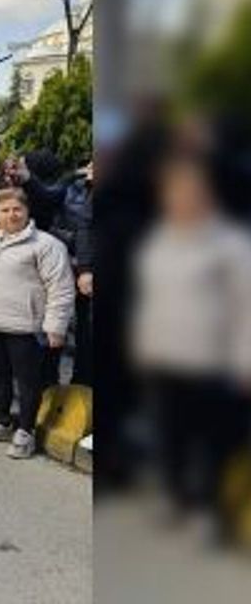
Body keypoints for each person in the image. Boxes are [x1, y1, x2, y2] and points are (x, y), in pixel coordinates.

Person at [129, 155, 251, 538]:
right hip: (163, 356)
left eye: (191, 193)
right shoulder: (160, 239)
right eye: (175, 193)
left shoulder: (230, 243)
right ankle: (176, 497)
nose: (183, 200)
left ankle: (208, 509)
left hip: (210, 360)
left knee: (210, 440)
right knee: (170, 434)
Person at [0, 187, 75, 459]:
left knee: (28, 382)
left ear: (27, 211)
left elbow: (61, 288)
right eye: (4, 210)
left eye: (17, 209)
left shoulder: (46, 245)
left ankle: (26, 432)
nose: (11, 215)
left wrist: (55, 326)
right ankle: (3, 421)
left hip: (27, 328)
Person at [54, 161, 93, 386]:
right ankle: (82, 386)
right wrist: (85, 268)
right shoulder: (77, 188)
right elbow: (85, 229)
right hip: (91, 271)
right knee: (87, 336)